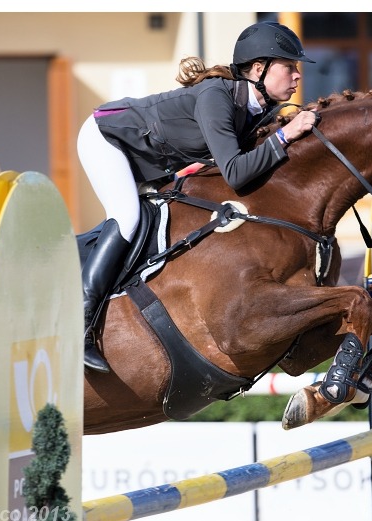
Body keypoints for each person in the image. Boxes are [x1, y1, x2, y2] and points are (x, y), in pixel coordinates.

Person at [77, 21, 319, 373]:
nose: (297, 76)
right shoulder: (216, 96)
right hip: (108, 138)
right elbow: (236, 171)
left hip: (150, 163)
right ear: (258, 69)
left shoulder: (255, 109)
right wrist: (284, 138)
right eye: (289, 66)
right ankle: (81, 324)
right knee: (128, 217)